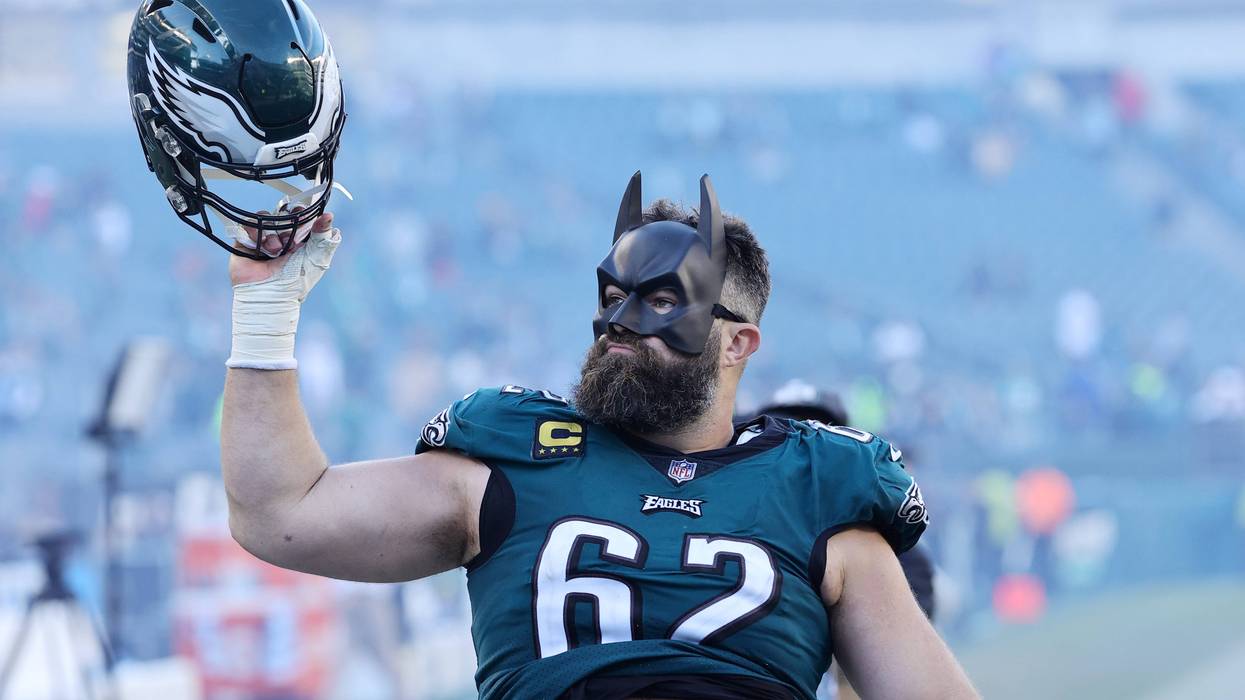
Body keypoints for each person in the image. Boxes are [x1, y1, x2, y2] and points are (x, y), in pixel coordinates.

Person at [219, 168, 977, 699]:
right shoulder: (512, 461)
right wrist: (263, 312)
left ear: (738, 343)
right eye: (612, 296)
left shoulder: (817, 493)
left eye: (656, 303)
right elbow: (280, 513)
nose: (619, 322)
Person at [756, 381, 939, 699]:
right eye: (783, 430)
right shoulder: (729, 521)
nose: (800, 445)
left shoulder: (889, 551)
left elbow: (897, 666)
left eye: (815, 430)